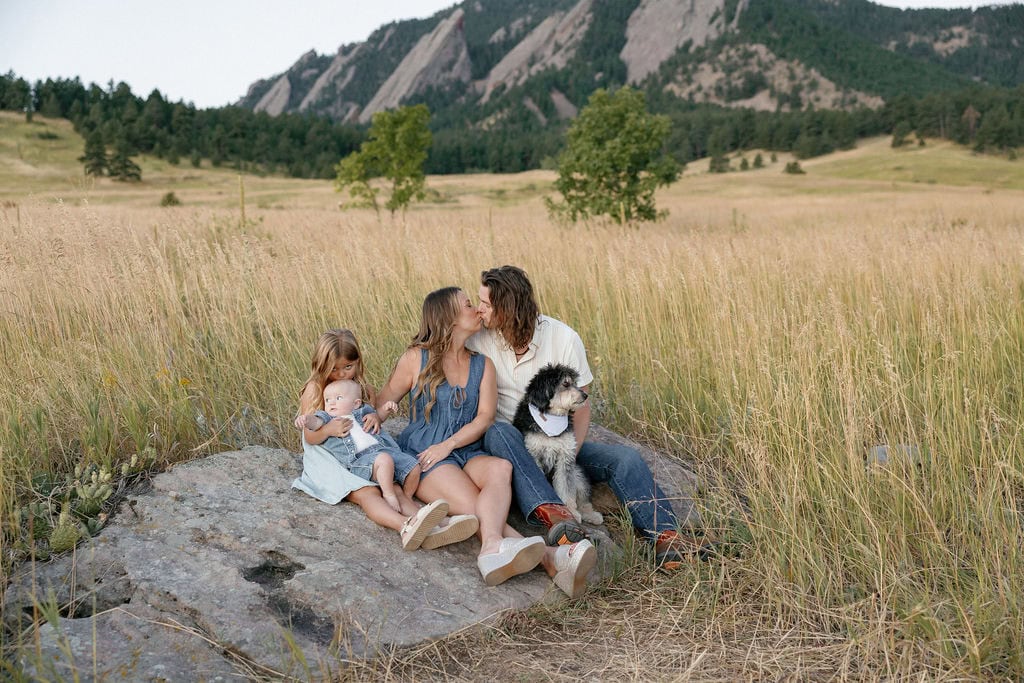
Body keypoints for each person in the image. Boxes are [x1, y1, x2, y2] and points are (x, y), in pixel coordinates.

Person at [466, 266, 714, 570]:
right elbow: (439, 344)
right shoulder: (478, 338)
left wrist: (566, 459)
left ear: (508, 309)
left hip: (558, 443)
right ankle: (558, 516)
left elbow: (580, 407)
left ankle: (667, 538)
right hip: (514, 448)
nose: (479, 309)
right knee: (498, 433)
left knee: (625, 459)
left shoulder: (563, 338)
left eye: (486, 304)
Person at [377, 287, 596, 596]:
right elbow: (384, 402)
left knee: (500, 468)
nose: (477, 310)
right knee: (472, 504)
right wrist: (351, 407)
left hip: (465, 448)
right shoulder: (417, 358)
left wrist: (450, 444)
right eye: (468, 305)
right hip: (427, 453)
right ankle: (544, 558)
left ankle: (495, 547)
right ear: (449, 319)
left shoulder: (483, 365)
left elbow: (484, 419)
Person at [292, 329, 478, 551]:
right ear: (321, 365)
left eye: (348, 367)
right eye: (334, 369)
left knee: (393, 487)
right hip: (327, 455)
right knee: (368, 492)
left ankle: (436, 525)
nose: (342, 374)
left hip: (365, 452)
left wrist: (374, 418)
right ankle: (405, 526)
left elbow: (367, 417)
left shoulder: (361, 388)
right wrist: (328, 429)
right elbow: (310, 435)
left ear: (358, 362)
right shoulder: (315, 389)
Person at [302, 378, 418, 513]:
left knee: (414, 466)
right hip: (360, 461)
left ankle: (408, 498)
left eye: (338, 398)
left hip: (383, 450)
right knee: (384, 460)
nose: (331, 402)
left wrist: (386, 409)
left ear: (356, 403)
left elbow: (377, 417)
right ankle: (388, 494)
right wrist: (306, 419)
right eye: (327, 400)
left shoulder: (363, 411)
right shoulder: (328, 418)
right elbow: (315, 423)